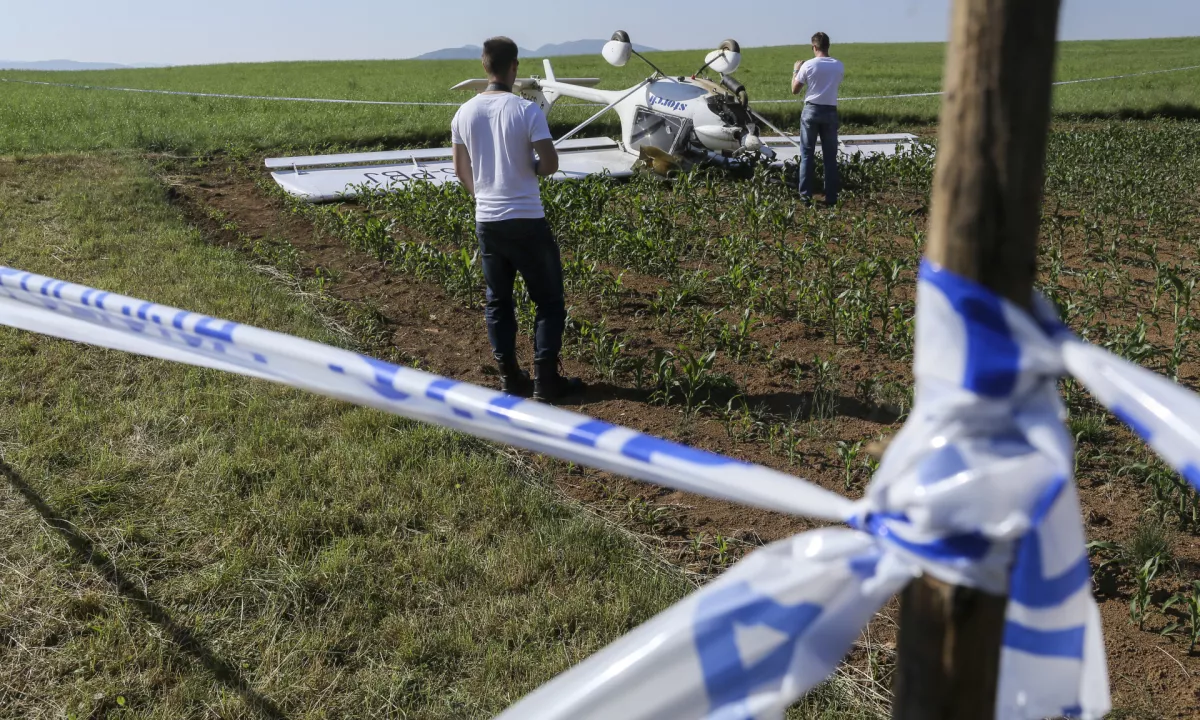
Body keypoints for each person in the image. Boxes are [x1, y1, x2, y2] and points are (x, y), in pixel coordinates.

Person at [451, 36, 584, 402]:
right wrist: (532, 168)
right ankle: (545, 381)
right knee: (549, 301)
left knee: (498, 300)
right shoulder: (527, 111)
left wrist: (483, 196)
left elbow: (461, 170)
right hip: (526, 218)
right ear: (514, 67)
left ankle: (510, 377)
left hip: (488, 221)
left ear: (484, 66)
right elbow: (551, 163)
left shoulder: (463, 113)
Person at [791, 32, 845, 207]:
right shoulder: (839, 65)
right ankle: (831, 197)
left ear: (814, 47)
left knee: (807, 154)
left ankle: (805, 196)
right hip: (830, 111)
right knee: (830, 157)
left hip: (811, 110)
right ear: (828, 46)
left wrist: (796, 70)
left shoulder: (808, 65)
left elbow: (795, 89)